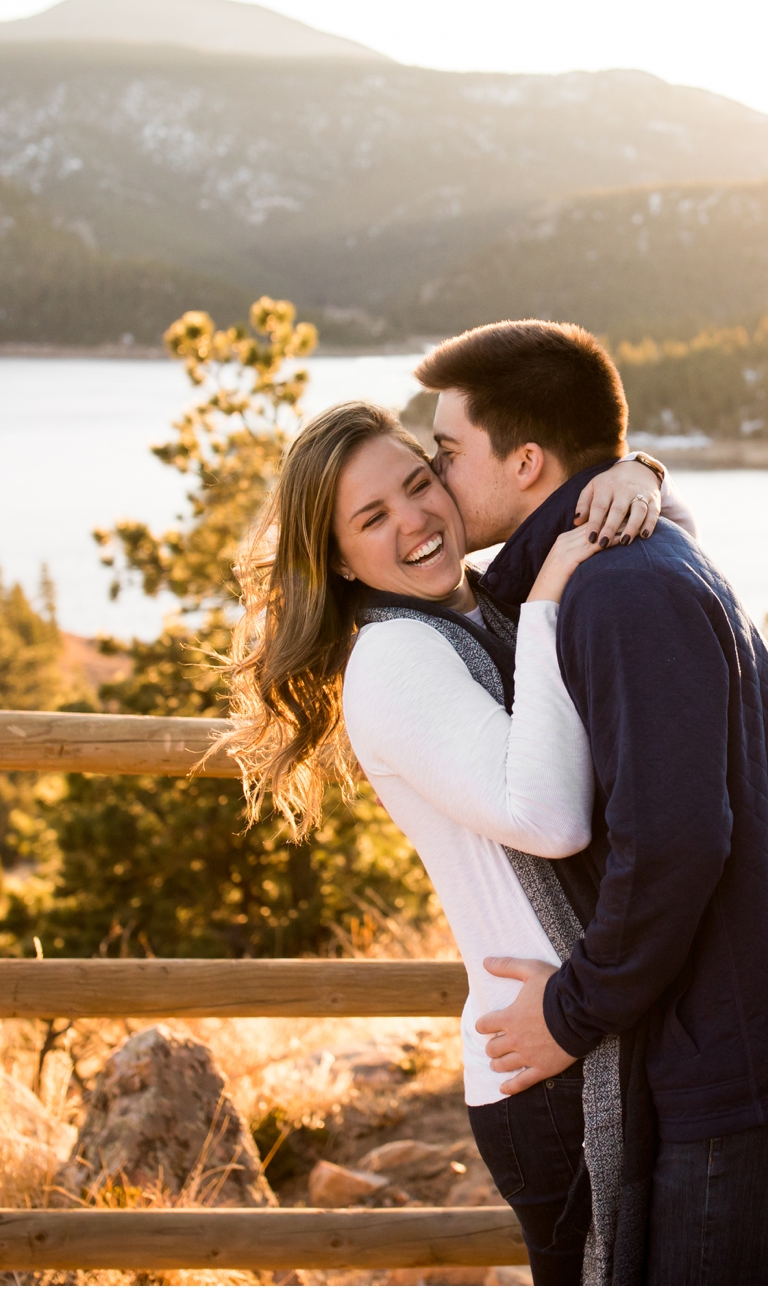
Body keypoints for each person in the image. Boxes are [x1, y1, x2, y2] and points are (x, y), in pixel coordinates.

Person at [415, 319, 768, 1286]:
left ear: (525, 462)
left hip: (757, 1058)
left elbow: (677, 840)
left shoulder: (620, 588)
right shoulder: (620, 553)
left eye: (445, 454)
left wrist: (570, 1012)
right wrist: (640, 466)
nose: (434, 482)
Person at [220, 398, 677, 1285]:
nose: (415, 520)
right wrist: (549, 600)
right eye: (372, 517)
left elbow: (628, 527)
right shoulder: (397, 658)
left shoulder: (484, 604)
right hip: (542, 1064)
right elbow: (549, 816)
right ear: (340, 558)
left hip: (584, 1026)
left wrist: (638, 473)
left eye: (420, 483)